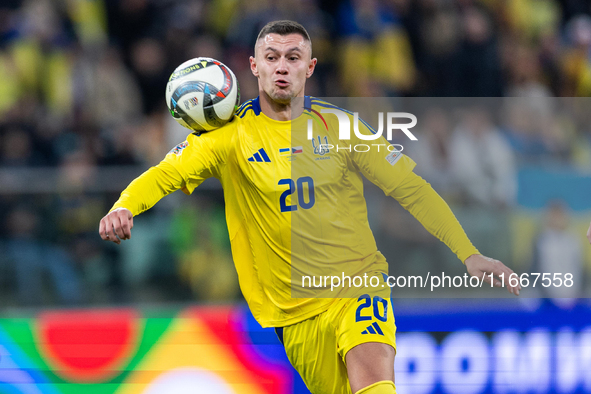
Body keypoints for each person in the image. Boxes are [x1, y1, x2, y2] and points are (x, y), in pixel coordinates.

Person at [99, 20, 520, 394]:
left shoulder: (342, 127)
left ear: (310, 67)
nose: (282, 66)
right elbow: (163, 175)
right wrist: (125, 206)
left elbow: (411, 188)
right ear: (254, 67)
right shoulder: (228, 138)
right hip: (294, 311)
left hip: (358, 284)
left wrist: (469, 252)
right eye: (272, 57)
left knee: (375, 380)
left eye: (293, 57)